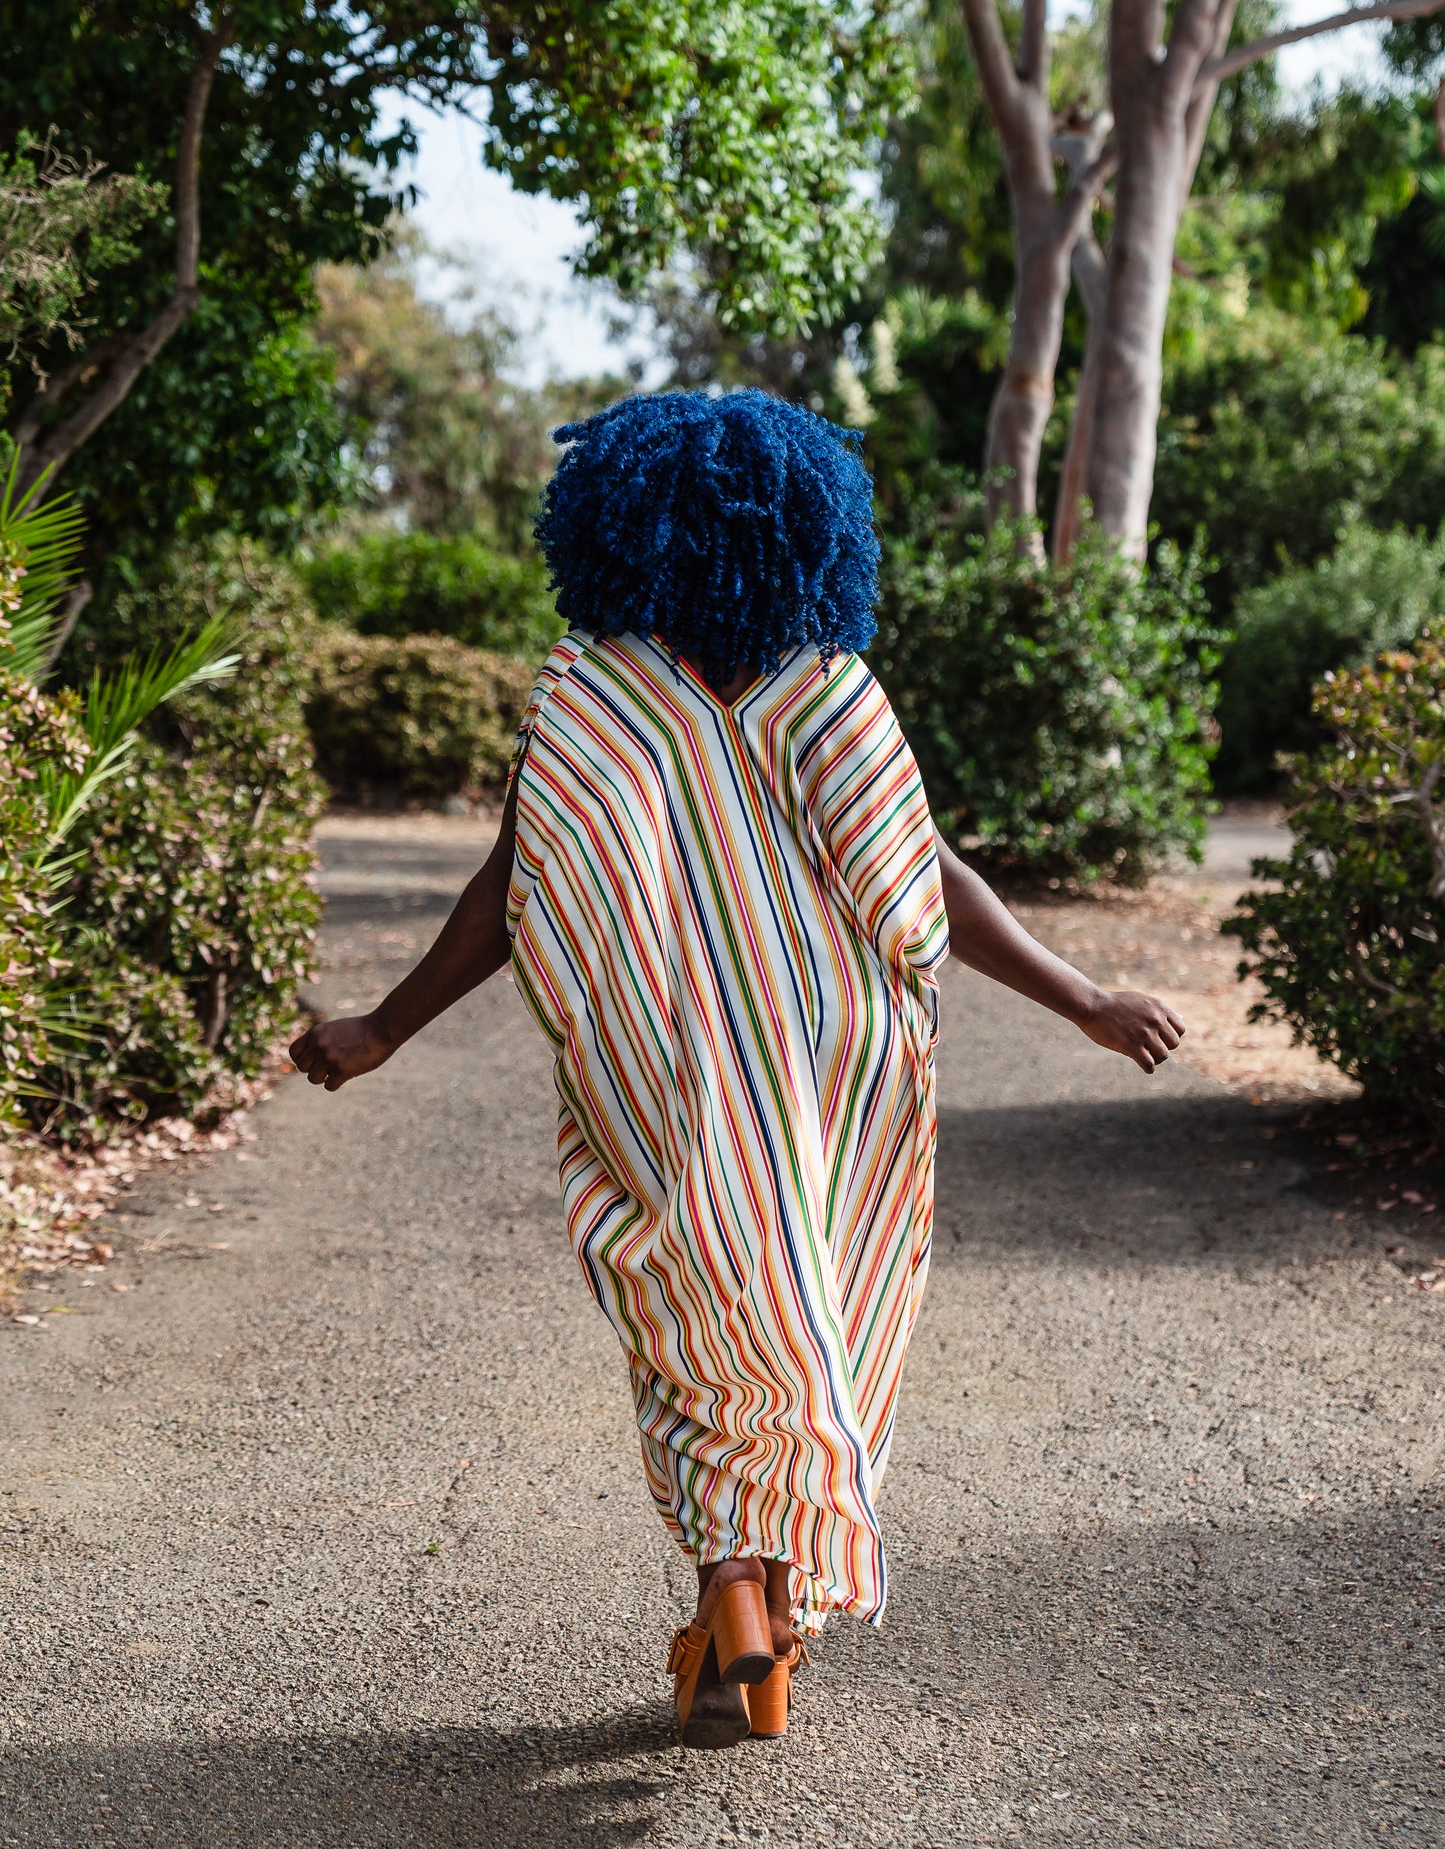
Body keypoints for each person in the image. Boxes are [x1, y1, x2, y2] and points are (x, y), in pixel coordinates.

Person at [290, 387, 1183, 1749]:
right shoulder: (827, 682)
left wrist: (382, 1027)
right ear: (809, 525)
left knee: (698, 1313)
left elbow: (512, 877)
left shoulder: (594, 690)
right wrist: (1080, 996)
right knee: (814, 1303)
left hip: (662, 1057)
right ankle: (768, 1598)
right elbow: (921, 874)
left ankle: (738, 1596)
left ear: (615, 525)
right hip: (829, 1062)